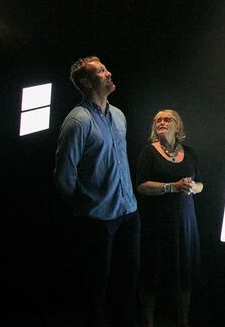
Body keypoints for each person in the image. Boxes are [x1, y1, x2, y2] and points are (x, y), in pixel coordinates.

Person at [53, 56, 140, 327]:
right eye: (102, 71)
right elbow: (64, 174)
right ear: (87, 83)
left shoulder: (119, 116)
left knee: (127, 283)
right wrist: (86, 204)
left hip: (129, 214)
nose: (109, 73)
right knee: (96, 290)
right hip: (98, 220)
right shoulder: (77, 122)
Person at [136, 109, 204, 327]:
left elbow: (201, 183)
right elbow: (142, 185)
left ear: (178, 127)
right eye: (157, 120)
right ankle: (148, 321)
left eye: (167, 119)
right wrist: (171, 187)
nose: (161, 122)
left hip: (185, 222)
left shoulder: (190, 153)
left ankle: (183, 321)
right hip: (157, 223)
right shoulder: (148, 152)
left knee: (185, 271)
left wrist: (194, 187)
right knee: (152, 272)